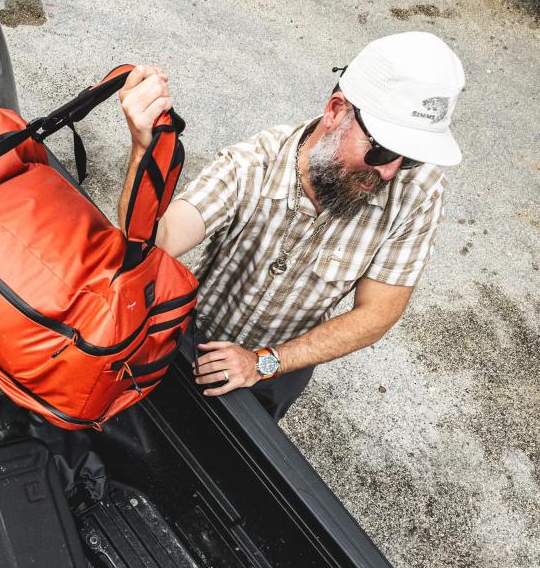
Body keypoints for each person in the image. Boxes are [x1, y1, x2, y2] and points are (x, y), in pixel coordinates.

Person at [117, 32, 465, 421]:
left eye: (412, 158)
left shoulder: (418, 193)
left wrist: (267, 362)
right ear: (336, 110)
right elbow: (157, 240)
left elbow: (378, 312)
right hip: (193, 334)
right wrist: (143, 151)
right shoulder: (253, 164)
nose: (389, 171)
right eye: (381, 149)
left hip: (283, 366)